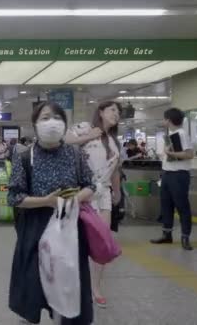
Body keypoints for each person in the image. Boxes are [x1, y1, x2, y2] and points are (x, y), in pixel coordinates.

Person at [8, 101, 95, 324]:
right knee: (34, 284)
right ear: (35, 124)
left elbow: (90, 185)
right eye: (45, 118)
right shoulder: (25, 157)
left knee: (67, 283)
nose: (52, 123)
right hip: (36, 229)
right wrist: (46, 201)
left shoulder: (74, 155)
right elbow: (15, 197)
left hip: (69, 228)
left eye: (57, 117)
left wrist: (75, 199)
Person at [66, 100, 122, 308]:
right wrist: (89, 136)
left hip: (104, 193)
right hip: (82, 192)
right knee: (78, 241)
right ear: (101, 112)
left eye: (118, 112)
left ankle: (96, 288)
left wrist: (117, 192)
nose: (116, 114)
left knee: (102, 242)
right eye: (112, 110)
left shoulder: (115, 141)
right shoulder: (86, 127)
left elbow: (115, 170)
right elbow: (65, 140)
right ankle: (74, 284)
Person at [151, 108, 195, 251]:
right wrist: (165, 155)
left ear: (168, 120)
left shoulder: (181, 134)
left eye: (164, 119)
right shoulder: (170, 134)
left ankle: (185, 237)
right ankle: (167, 234)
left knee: (182, 207)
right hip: (167, 174)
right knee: (166, 205)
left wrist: (170, 152)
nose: (163, 121)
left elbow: (189, 154)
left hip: (179, 175)